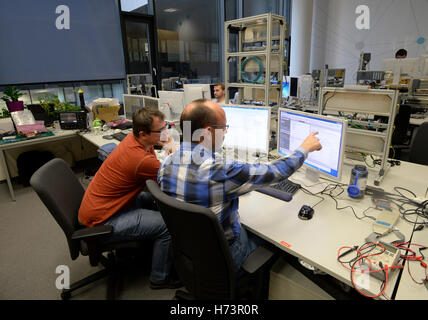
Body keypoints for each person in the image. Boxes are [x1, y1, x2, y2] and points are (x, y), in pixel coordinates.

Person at [158, 99, 322, 272]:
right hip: (225, 256)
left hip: (188, 252)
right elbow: (275, 172)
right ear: (207, 132)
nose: (225, 134)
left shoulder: (166, 162)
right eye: (223, 128)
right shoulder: (218, 170)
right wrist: (304, 149)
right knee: (277, 239)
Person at [78, 108, 180, 290]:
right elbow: (174, 178)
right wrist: (171, 146)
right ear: (143, 133)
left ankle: (148, 251)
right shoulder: (139, 159)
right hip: (104, 219)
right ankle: (159, 277)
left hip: (101, 206)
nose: (166, 133)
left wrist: (161, 141)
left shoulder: (132, 140)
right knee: (168, 225)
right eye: (161, 130)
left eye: (166, 127)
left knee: (152, 200)